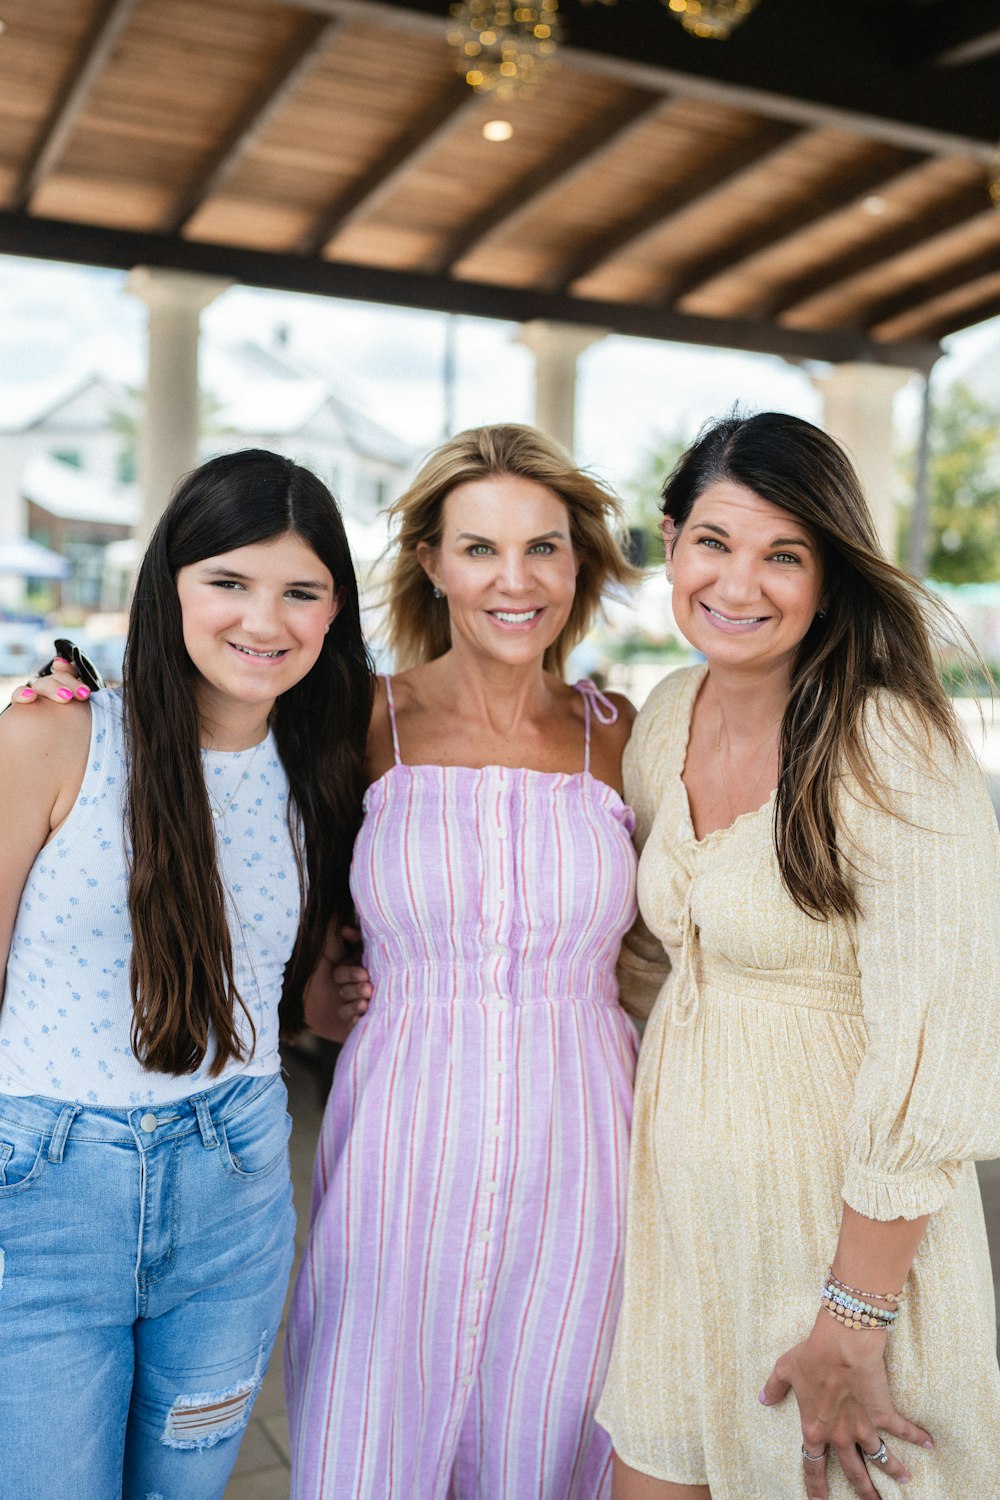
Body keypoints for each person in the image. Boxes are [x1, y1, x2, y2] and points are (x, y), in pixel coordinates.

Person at [595, 412, 1000, 1500]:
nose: (740, 582)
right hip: (681, 1232)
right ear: (669, 543)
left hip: (842, 1257)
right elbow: (645, 956)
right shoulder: (663, 716)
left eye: (786, 555)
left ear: (830, 577)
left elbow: (942, 1048)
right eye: (714, 542)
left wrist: (853, 1322)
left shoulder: (890, 751)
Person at [0, 449, 373, 1500]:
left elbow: (278, 978)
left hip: (234, 1188)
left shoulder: (321, 767)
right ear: (170, 586)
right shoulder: (56, 728)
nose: (266, 619)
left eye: (301, 591)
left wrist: (327, 1001)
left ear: (333, 610)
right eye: (229, 582)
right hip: (44, 1188)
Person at [284, 423, 643, 1498]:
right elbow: (280, 883)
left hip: (586, 1155)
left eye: (543, 547)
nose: (514, 578)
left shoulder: (620, 731)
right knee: (370, 1438)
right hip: (401, 1147)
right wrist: (312, 988)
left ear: (577, 564)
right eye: (479, 548)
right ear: (433, 563)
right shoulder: (360, 716)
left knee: (551, 1438)